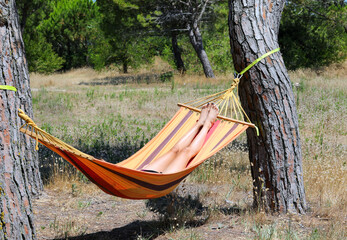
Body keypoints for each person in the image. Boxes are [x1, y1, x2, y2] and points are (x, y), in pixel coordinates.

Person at [141, 103, 219, 174]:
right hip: (158, 182)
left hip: (144, 175)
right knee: (186, 152)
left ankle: (199, 124)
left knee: (174, 150)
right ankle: (207, 124)